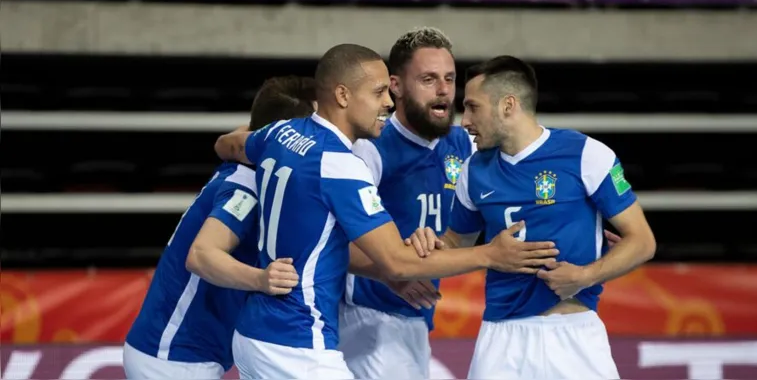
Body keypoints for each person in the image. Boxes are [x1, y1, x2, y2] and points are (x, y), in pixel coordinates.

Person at [213, 44, 557, 379]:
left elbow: (234, 144)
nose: (388, 103)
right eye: (379, 92)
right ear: (344, 95)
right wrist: (491, 255)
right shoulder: (346, 162)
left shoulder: (281, 132)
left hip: (259, 330)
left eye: (450, 78)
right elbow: (397, 262)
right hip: (309, 333)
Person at [340, 27, 557, 379]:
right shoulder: (370, 148)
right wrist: (390, 271)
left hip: (415, 315)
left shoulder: (465, 144)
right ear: (395, 86)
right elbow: (333, 239)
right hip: (366, 314)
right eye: (428, 79)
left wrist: (584, 225)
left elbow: (522, 185)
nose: (443, 91)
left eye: (449, 79)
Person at [441, 56, 657, 379]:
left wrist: (586, 275)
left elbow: (643, 241)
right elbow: (455, 244)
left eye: (473, 107)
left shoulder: (586, 153)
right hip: (502, 339)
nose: (464, 122)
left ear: (508, 105)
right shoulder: (473, 171)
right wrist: (423, 245)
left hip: (576, 335)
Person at [123, 76, 316, 379]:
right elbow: (200, 255)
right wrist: (262, 279)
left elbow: (240, 134)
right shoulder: (247, 187)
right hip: (175, 359)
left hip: (180, 354)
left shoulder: (253, 161)